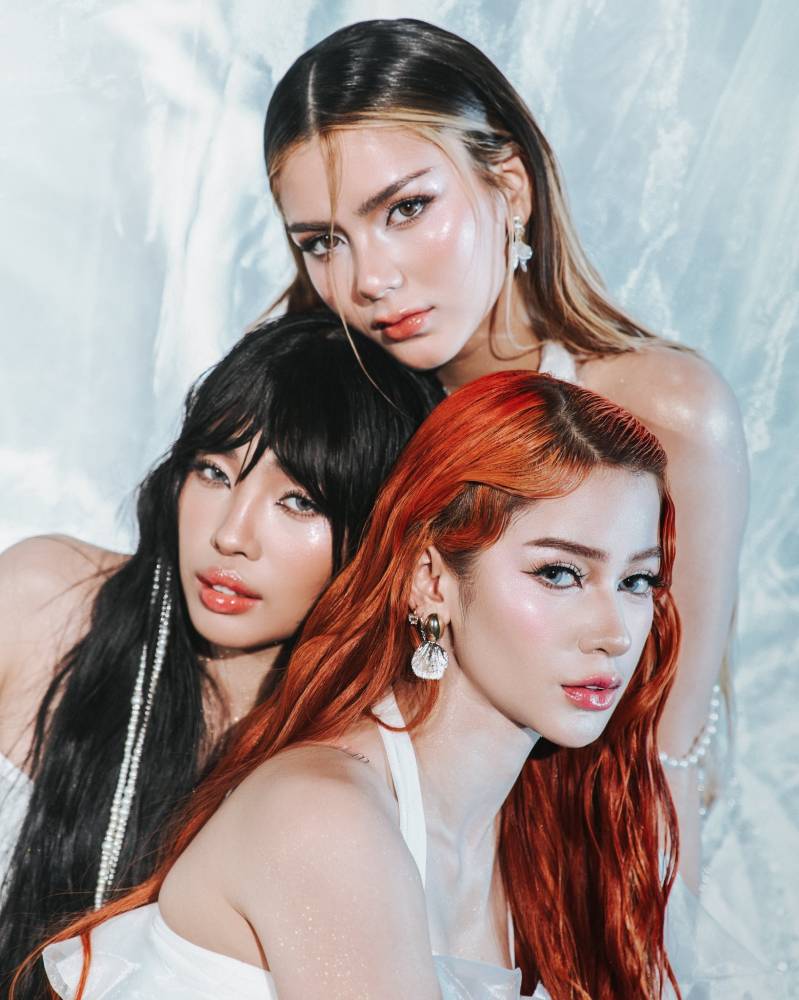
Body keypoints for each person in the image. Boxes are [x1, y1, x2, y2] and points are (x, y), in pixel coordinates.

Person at [262, 17, 750, 893]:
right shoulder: (329, 412)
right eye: (323, 242)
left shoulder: (662, 412)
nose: (368, 279)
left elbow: (663, 755)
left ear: (509, 187)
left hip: (572, 885)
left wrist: (618, 946)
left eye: (405, 209)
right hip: (337, 865)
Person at [31, 372, 682, 1000]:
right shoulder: (325, 817)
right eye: (560, 573)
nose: (614, 634)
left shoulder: (545, 836)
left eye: (636, 581)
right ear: (430, 581)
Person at [0, 311, 443, 995]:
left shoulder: (368, 771)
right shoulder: (43, 602)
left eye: (299, 501)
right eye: (213, 471)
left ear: (381, 534)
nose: (231, 535)